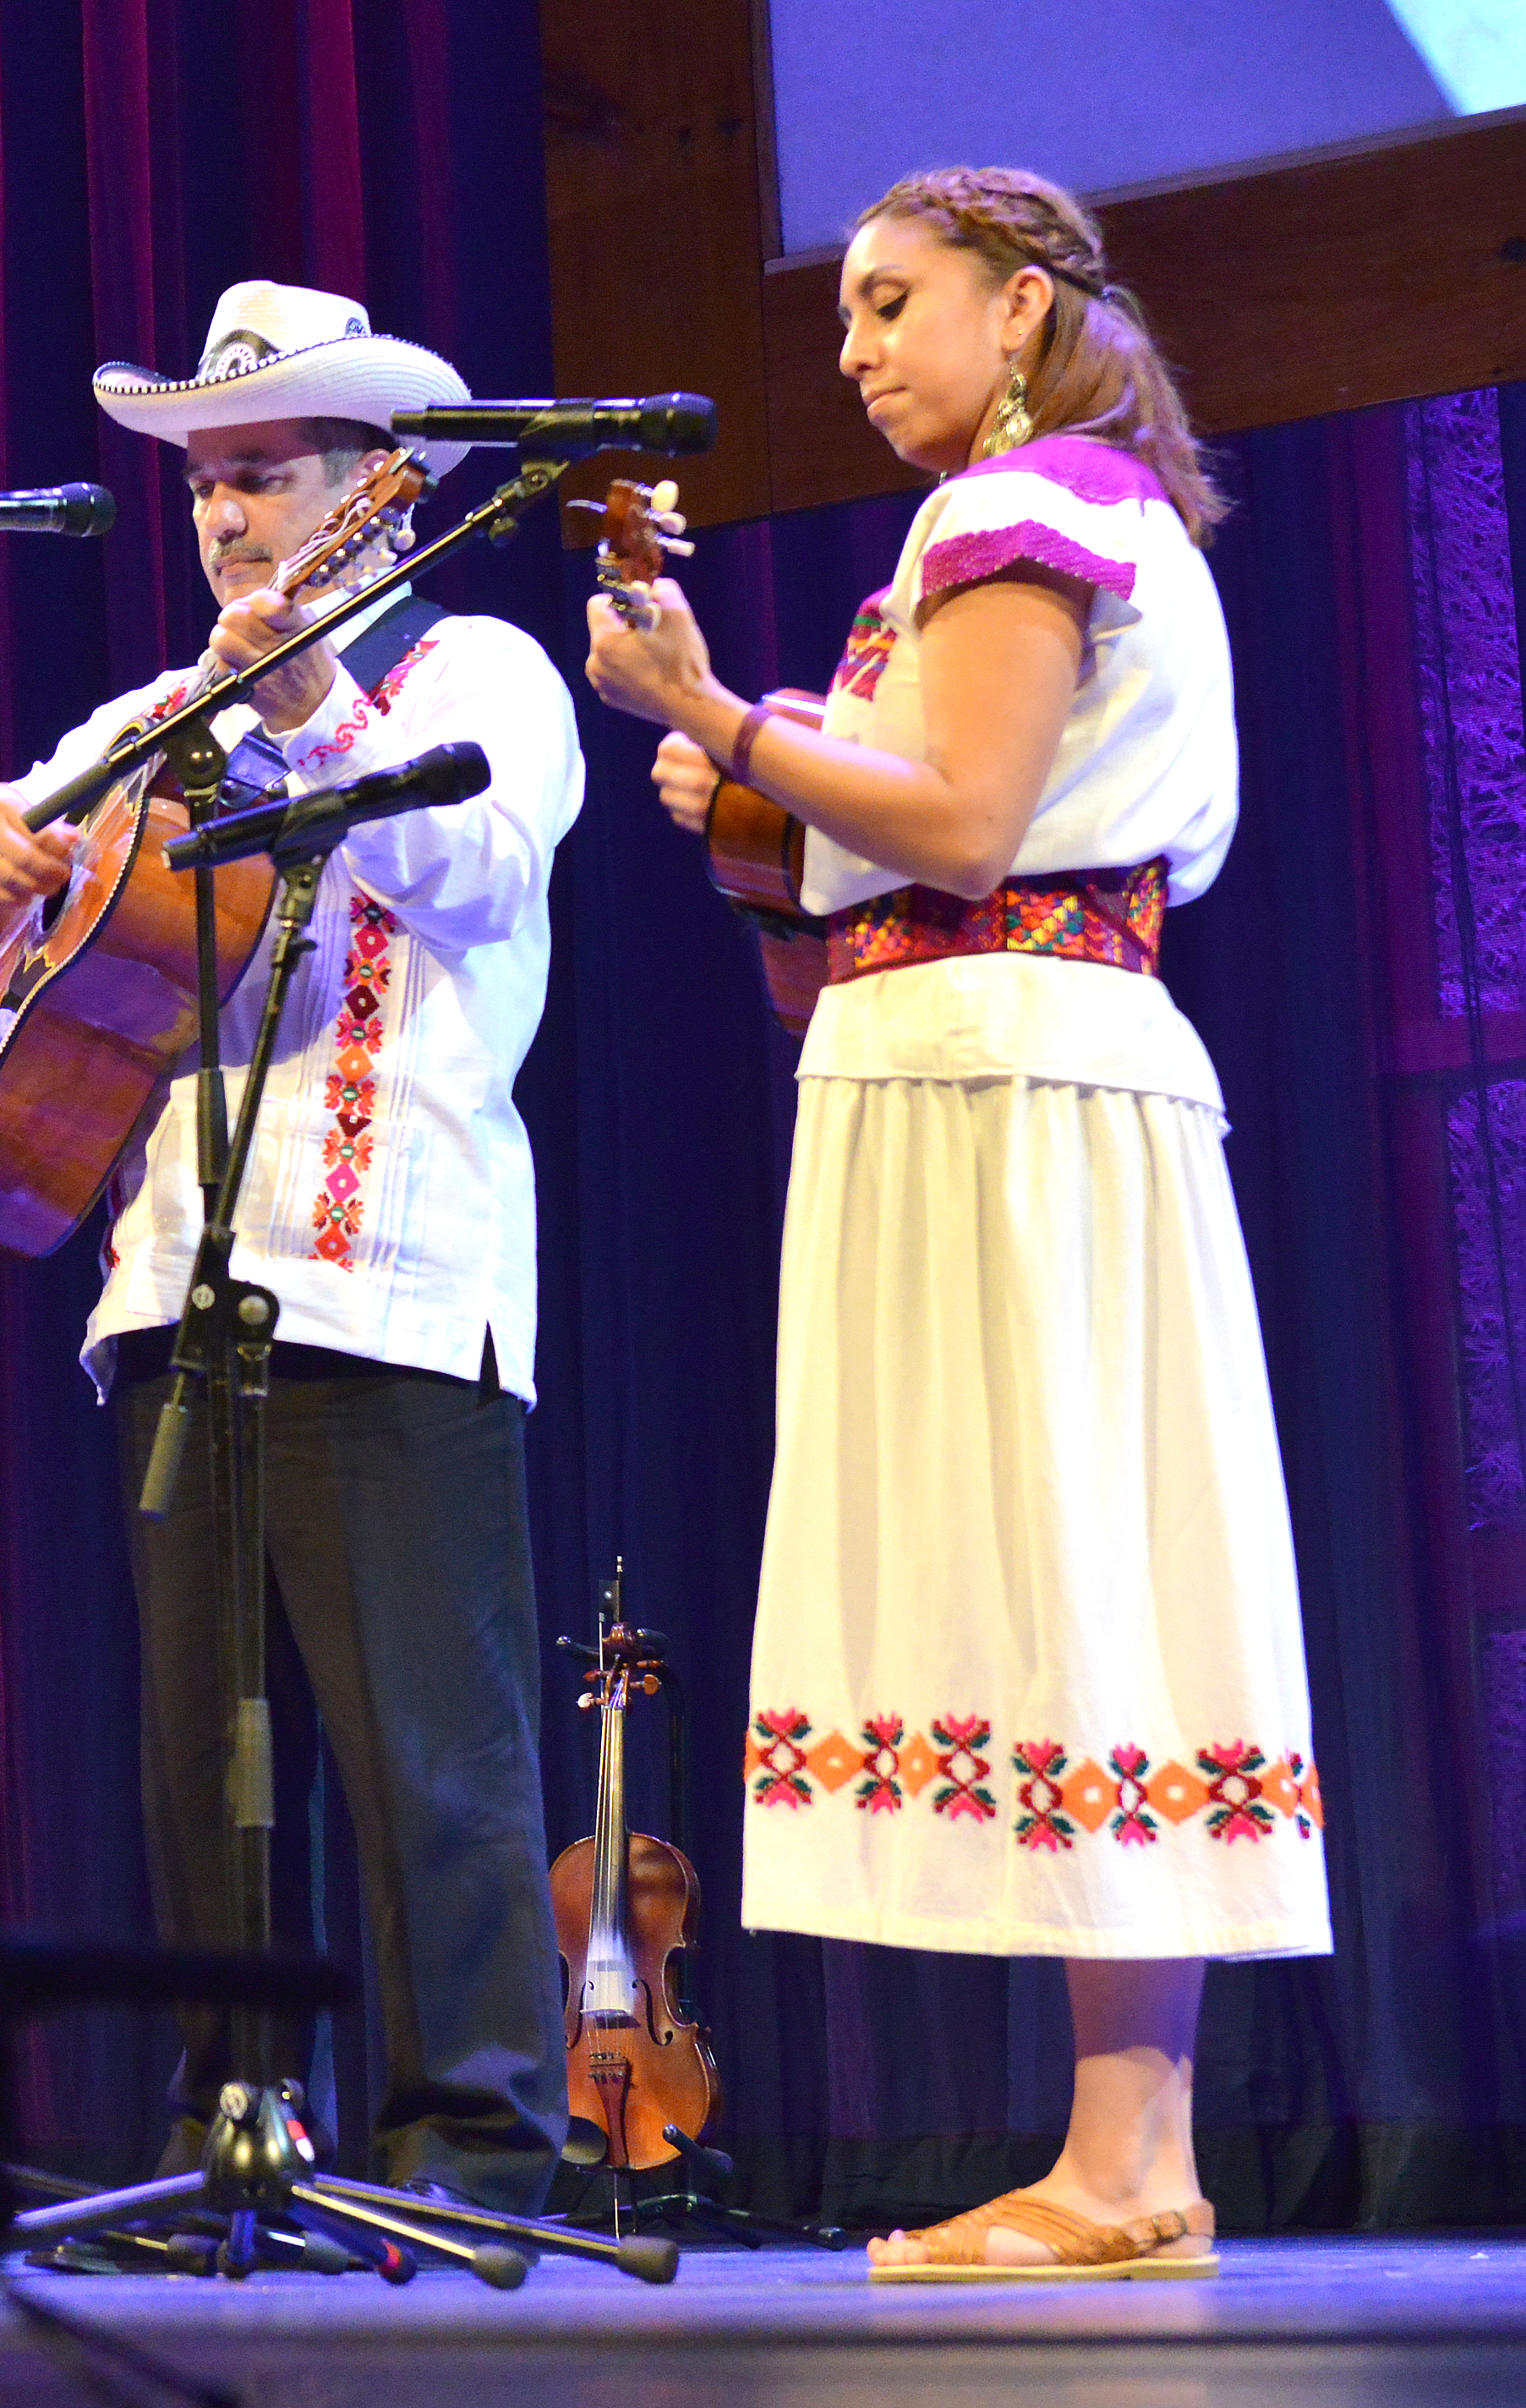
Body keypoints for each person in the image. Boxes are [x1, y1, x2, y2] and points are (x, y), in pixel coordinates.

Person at [584, 168, 1328, 2278]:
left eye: (893, 303)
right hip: (974, 1056)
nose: (853, 347)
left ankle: (1121, 2161)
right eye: (838, 316)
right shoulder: (1066, 522)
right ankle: (1125, 2153)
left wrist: (719, 728)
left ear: (1018, 311)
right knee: (1068, 1562)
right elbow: (871, 894)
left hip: (1011, 1080)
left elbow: (971, 823)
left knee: (1075, 1561)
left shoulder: (1018, 512)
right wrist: (760, 793)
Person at [0, 284, 581, 2210]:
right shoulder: (151, 712)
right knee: (207, 1765)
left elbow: (474, 863)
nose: (221, 517)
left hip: (392, 1277)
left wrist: (304, 707)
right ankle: (233, 2140)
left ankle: (475, 2156)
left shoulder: (476, 671)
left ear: (379, 486)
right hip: (175, 1283)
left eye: (261, 474)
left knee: (428, 1755)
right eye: (203, 485)